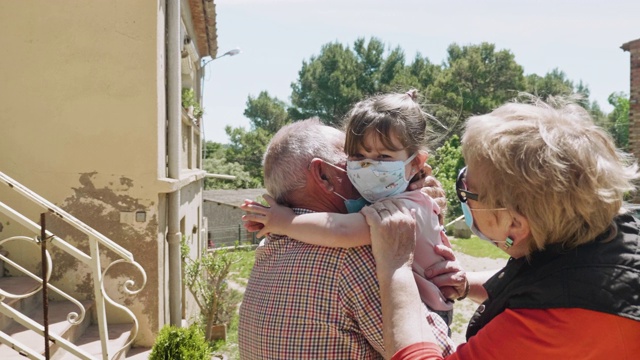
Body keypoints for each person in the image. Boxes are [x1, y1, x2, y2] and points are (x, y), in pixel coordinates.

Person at [364, 96, 640, 359]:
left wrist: (396, 268)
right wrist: (465, 284)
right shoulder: (613, 237)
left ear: (515, 224)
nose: (460, 192)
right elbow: (549, 278)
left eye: (467, 190)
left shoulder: (555, 322)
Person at [237, 118, 456, 359]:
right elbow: (438, 353)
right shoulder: (355, 256)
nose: (369, 171)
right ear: (323, 176)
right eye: (355, 160)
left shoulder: (268, 247)